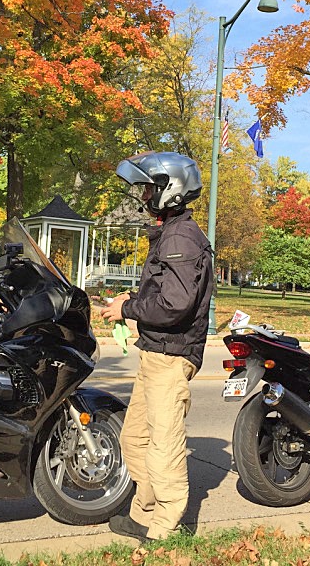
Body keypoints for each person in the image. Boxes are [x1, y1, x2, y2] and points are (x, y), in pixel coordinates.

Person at [100, 150, 215, 543]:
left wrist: (128, 308)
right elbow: (167, 294)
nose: (143, 196)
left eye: (149, 188)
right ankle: (142, 515)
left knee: (164, 446)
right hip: (154, 353)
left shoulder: (181, 236)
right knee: (134, 439)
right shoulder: (171, 233)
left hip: (171, 357)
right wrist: (129, 304)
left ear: (172, 189)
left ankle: (165, 530)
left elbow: (176, 305)